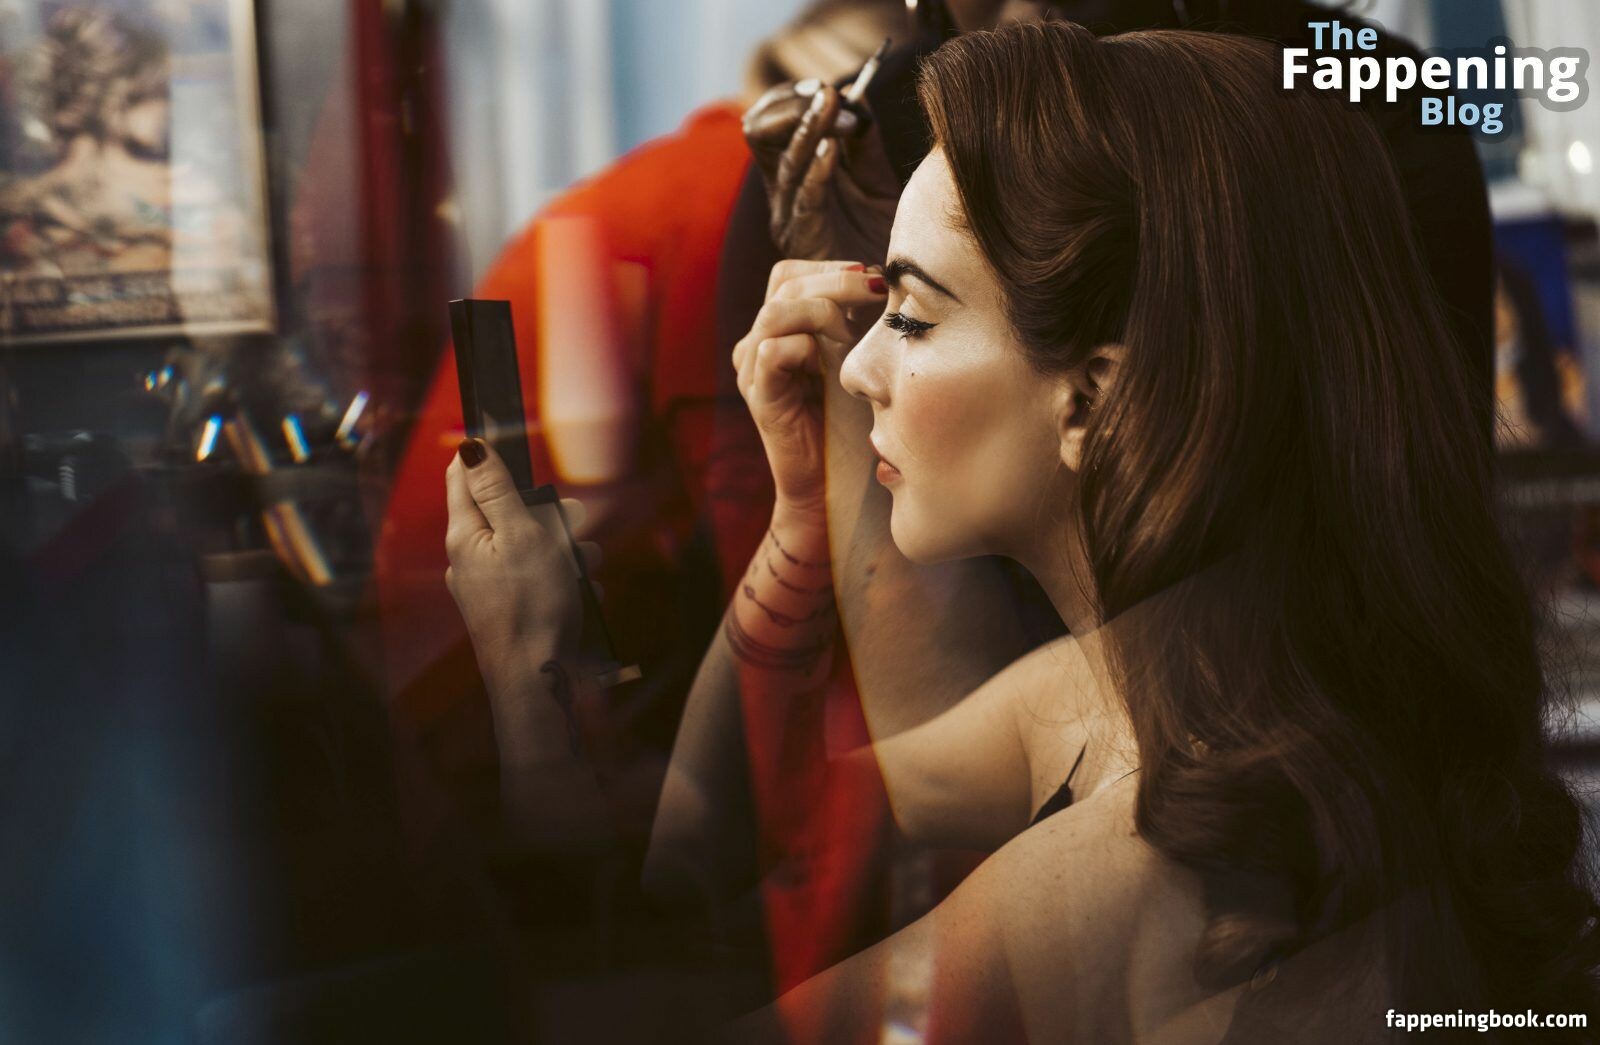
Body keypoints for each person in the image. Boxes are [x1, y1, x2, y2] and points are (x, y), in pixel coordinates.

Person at [445, 21, 1600, 1042]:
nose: (856, 367)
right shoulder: (1172, 688)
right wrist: (800, 518)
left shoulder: (1114, 881)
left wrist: (521, 668)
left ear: (1091, 399)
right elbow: (740, 824)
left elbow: (607, 1007)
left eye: (909, 314)